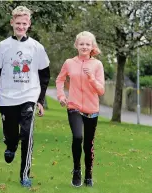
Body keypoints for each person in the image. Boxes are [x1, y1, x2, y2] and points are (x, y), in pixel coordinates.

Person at [0, 6, 50, 188]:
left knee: (27, 134)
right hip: (7, 97)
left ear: (29, 24)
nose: (21, 26)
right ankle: (10, 146)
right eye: (18, 23)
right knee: (11, 134)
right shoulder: (3, 46)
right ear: (12, 23)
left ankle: (25, 175)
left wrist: (40, 100)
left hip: (29, 95)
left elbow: (45, 75)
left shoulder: (37, 47)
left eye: (24, 23)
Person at [56, 31, 105, 187]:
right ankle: (77, 170)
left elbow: (101, 91)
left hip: (92, 110)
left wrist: (91, 78)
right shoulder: (69, 63)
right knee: (78, 137)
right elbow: (59, 79)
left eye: (87, 44)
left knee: (88, 144)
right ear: (76, 45)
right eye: (81, 44)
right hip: (74, 107)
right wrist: (61, 96)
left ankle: (88, 174)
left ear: (92, 47)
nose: (84, 47)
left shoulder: (97, 65)